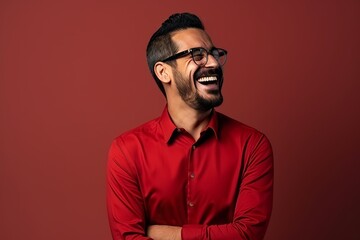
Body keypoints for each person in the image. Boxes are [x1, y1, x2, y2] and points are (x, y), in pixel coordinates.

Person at [106, 12, 274, 240]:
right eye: (197, 55)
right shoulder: (127, 151)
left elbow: (247, 235)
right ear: (164, 72)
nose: (214, 63)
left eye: (214, 54)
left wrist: (170, 234)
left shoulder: (252, 146)